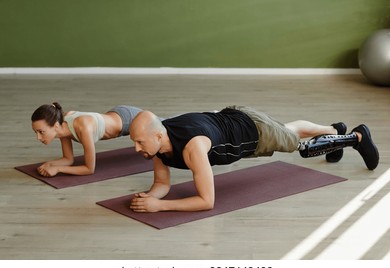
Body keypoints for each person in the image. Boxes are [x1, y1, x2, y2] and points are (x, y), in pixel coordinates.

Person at [128, 105, 379, 213]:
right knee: (290, 129)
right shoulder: (158, 143)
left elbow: (207, 201)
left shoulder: (193, 148)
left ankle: (357, 137)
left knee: (295, 142)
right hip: (232, 118)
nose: (136, 147)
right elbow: (162, 184)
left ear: (159, 135)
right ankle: (335, 130)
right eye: (134, 141)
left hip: (253, 131)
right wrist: (151, 197)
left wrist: (161, 206)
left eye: (140, 141)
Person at [31, 102, 144, 177]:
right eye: (36, 132)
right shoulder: (61, 126)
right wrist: (49, 164)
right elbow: (68, 159)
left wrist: (58, 169)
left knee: (161, 127)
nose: (38, 137)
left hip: (129, 120)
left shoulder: (83, 127)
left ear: (55, 126)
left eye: (41, 132)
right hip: (116, 114)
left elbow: (89, 169)